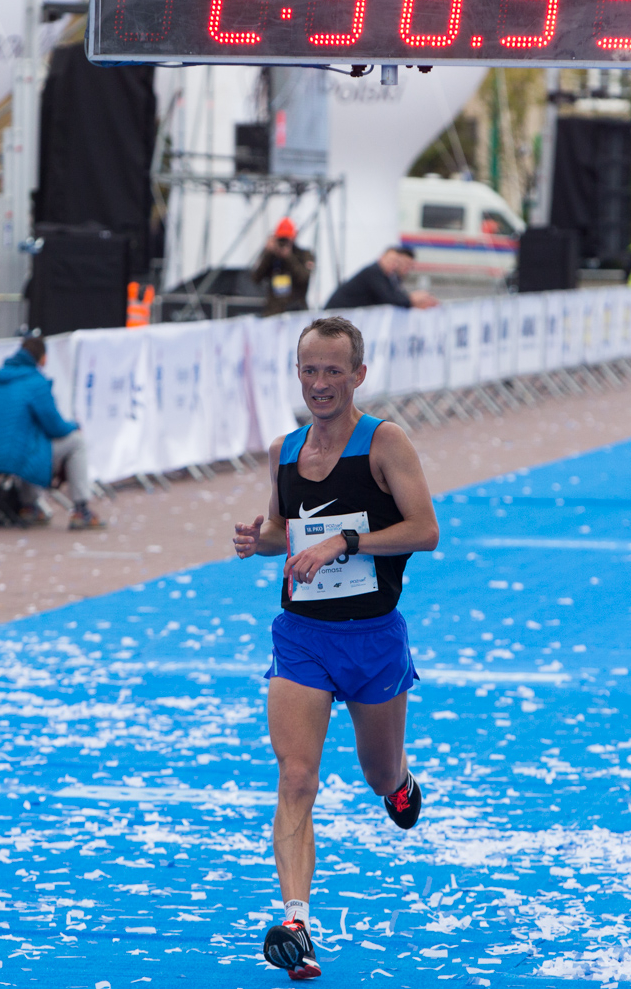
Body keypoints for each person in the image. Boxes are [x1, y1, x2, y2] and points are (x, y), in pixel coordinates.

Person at [231, 315, 440, 980]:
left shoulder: (385, 443)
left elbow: (425, 530)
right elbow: (281, 531)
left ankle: (400, 781)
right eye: (309, 370)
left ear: (358, 375)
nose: (320, 383)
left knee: (378, 774)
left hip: (373, 637)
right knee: (296, 777)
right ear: (297, 374)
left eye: (332, 371)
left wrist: (344, 543)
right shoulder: (285, 449)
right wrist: (255, 539)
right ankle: (296, 921)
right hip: (303, 638)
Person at [0, 334, 105, 530]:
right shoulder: (36, 382)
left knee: (30, 443)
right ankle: (81, 509)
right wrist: (74, 425)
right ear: (43, 358)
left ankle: (30, 506)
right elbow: (55, 426)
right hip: (10, 457)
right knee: (74, 442)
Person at [325, 247, 438, 310]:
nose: (393, 265)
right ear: (381, 257)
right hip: (337, 314)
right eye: (390, 261)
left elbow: (395, 296)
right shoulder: (373, 272)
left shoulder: (388, 276)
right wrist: (412, 299)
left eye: (396, 262)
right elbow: (389, 299)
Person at [255, 218, 311, 316]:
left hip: (296, 312)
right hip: (273, 312)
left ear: (294, 237)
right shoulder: (272, 256)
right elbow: (256, 278)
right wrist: (267, 253)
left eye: (286, 238)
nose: (283, 241)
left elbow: (304, 278)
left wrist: (289, 257)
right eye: (281, 238)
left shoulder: (304, 255)